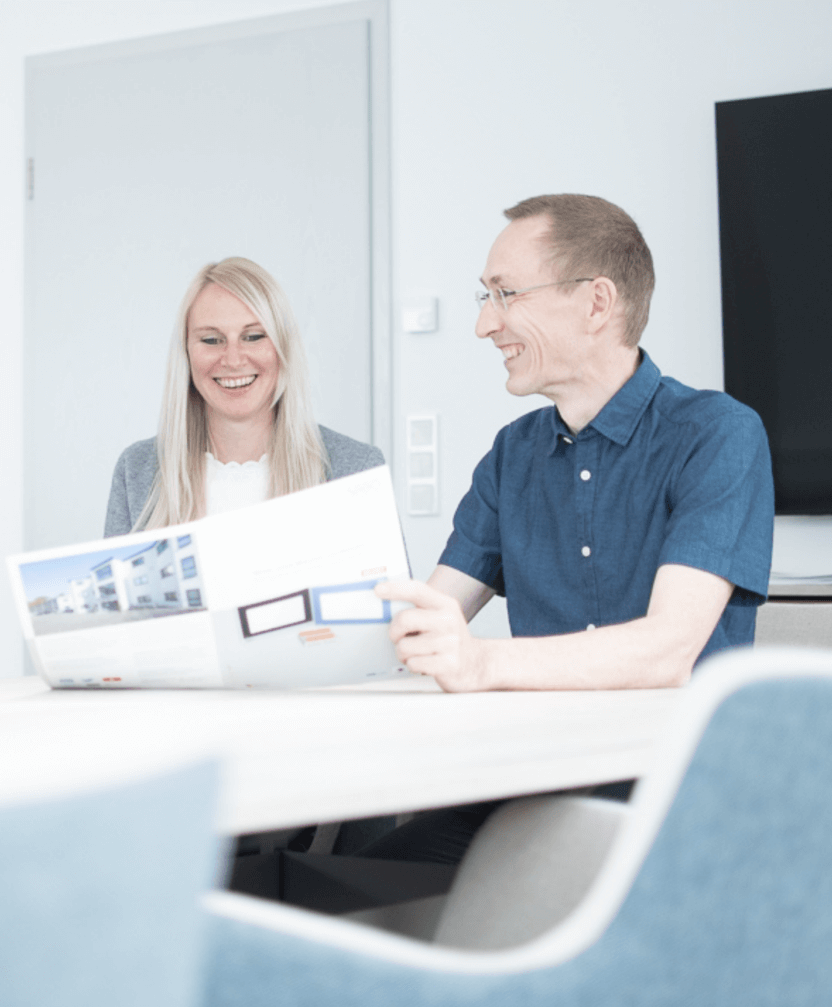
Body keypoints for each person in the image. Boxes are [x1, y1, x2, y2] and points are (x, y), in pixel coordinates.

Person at [358, 193, 774, 865]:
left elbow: (668, 652)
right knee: (342, 885)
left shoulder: (718, 434)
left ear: (596, 302)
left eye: (505, 294)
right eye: (485, 297)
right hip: (528, 787)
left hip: (668, 803)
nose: (485, 324)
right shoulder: (511, 454)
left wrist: (481, 662)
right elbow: (428, 618)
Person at [105, 256, 382, 537]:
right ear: (186, 353)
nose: (233, 359)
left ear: (282, 347)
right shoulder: (136, 471)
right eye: (211, 340)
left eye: (253, 337)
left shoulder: (357, 470)